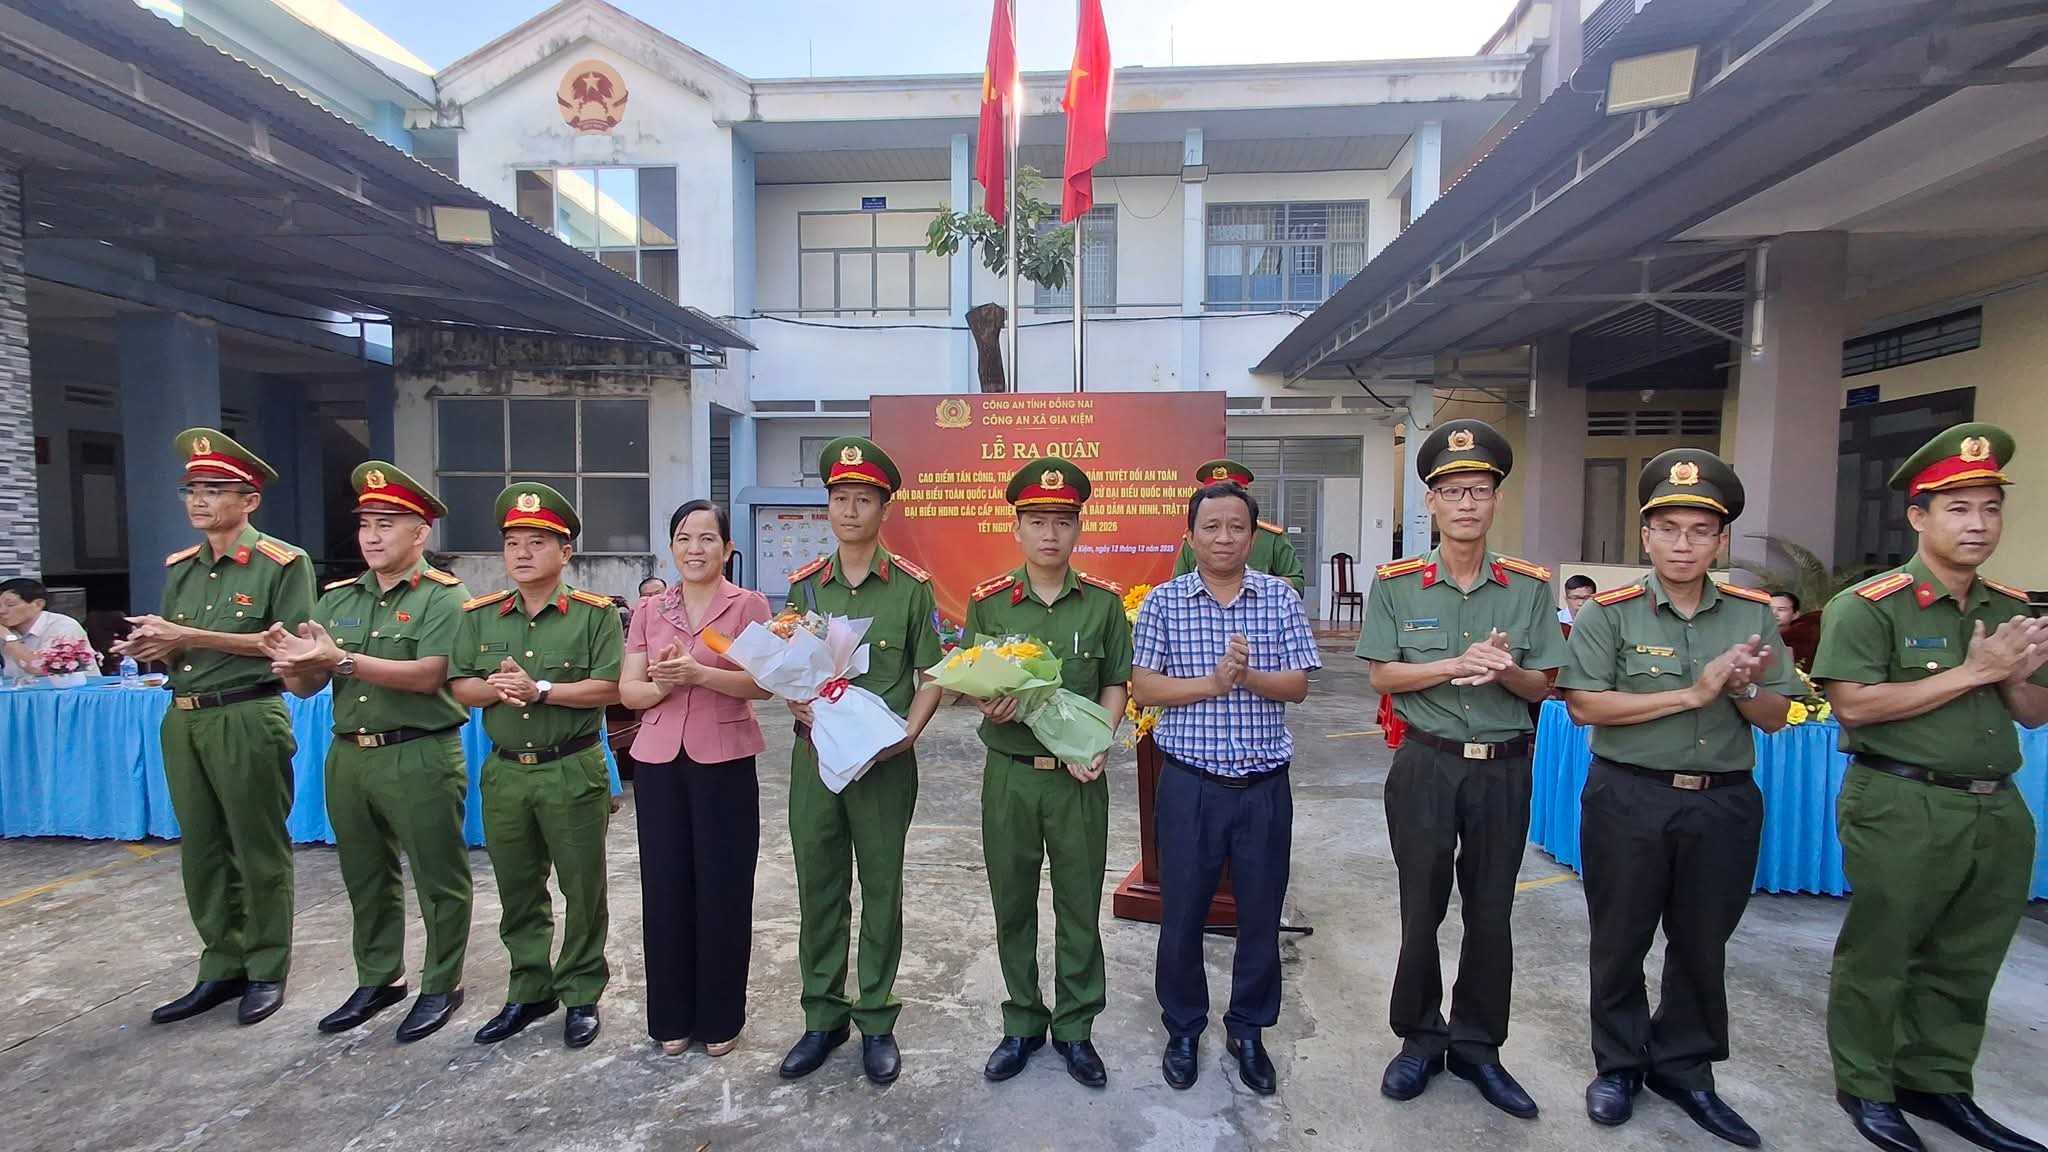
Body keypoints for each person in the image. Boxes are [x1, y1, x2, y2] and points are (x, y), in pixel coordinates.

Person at [1813, 423, 2048, 1152]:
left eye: (1989, 508)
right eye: (1958, 508)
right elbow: (1853, 705)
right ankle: (1867, 1084)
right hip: (1900, 801)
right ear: (1919, 517)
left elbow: (2037, 712)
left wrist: (2011, 676)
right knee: (1884, 950)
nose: (1977, 524)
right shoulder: (1870, 606)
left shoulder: (2012, 609)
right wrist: (1975, 673)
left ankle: (1940, 1082)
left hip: (1995, 804)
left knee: (1968, 954)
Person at [1556, 449, 1798, 1147]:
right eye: (1669, 529)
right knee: (1621, 937)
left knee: (1701, 943)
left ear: (1720, 542)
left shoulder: (1751, 616)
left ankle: (1686, 1069)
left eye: (1699, 530)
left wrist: (1745, 687)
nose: (1683, 543)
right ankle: (1620, 1064)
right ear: (1647, 536)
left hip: (1722, 802)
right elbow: (1585, 707)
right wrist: (1693, 693)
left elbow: (1778, 716)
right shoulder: (1611, 612)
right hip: (1629, 797)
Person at [1359, 419, 1567, 1119]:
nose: (1466, 503)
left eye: (1479, 490)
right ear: (1431, 503)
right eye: (1452, 491)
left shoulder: (1531, 587)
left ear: (1496, 499)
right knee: (1422, 906)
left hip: (1503, 768)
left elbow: (1544, 687)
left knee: (1491, 911)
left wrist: (1507, 670)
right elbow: (1382, 674)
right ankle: (1419, 1034)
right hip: (1426, 763)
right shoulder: (1397, 584)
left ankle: (1479, 1045)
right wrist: (1455, 663)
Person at [264, 462, 473, 1043]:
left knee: (438, 874)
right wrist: (293, 665)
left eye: (388, 523)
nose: (373, 536)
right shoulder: (336, 600)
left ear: (420, 532)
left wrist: (341, 661)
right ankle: (380, 977)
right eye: (366, 525)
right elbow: (310, 683)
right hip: (349, 752)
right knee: (364, 873)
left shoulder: (445, 599)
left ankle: (442, 982)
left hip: (419, 751)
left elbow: (430, 674)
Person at [114, 428, 314, 1027]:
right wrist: (155, 646)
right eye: (192, 489)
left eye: (214, 490)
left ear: (248, 501)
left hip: (247, 713)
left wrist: (189, 637)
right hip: (186, 715)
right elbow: (178, 645)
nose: (199, 501)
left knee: (256, 847)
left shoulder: (282, 562)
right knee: (201, 848)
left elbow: (290, 644)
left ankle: (266, 966)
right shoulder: (182, 567)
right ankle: (221, 964)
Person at [1133, 481, 1321, 1097]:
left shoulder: (1279, 600)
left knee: (1261, 914)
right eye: (1210, 527)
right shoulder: (1164, 602)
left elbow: (1296, 686)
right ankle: (1184, 1027)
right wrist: (1212, 684)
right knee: (1182, 912)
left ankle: (1249, 1029)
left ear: (1253, 535)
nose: (1223, 538)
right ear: (1191, 536)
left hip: (1263, 786)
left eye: (1235, 527)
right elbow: (1145, 688)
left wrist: (1248, 676)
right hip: (1190, 786)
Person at [777, 436, 945, 1087]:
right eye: (840, 499)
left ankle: (876, 1018)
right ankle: (823, 1018)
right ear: (828, 508)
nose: (850, 510)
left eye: (864, 500)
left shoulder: (910, 589)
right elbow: (787, 663)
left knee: (880, 891)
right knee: (820, 888)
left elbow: (933, 673)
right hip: (813, 759)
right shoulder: (804, 589)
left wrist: (911, 732)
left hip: (883, 764)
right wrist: (794, 699)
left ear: (883, 509)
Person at [965, 459, 1133, 1089]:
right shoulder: (988, 604)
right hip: (1009, 774)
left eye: (1062, 522)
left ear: (1078, 529)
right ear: (1017, 528)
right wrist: (986, 701)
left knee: (1078, 903)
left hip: (1078, 779)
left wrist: (1100, 743)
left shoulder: (1104, 605)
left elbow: (1115, 682)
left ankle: (1076, 1028)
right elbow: (970, 677)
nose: (1050, 535)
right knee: (1012, 901)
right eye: (1036, 522)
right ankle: (1021, 1021)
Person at [450, 482, 624, 1050]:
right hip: (505, 772)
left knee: (582, 887)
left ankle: (580, 992)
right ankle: (528, 987)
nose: (522, 553)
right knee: (518, 887)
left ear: (565, 552)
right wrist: (495, 689)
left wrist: (541, 689)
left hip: (570, 767)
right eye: (512, 543)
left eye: (537, 542)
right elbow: (460, 686)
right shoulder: (479, 616)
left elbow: (609, 686)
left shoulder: (594, 616)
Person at [619, 500, 772, 1058]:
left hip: (725, 758)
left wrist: (700, 673)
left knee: (724, 887)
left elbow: (763, 685)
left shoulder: (749, 606)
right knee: (665, 887)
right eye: (684, 538)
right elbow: (629, 691)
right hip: (659, 760)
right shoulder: (650, 610)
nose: (695, 548)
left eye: (708, 538)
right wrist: (665, 683)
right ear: (672, 547)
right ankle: (671, 1018)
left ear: (728, 549)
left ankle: (721, 1016)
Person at [1171, 459, 1305, 594]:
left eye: (1230, 493)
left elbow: (1296, 583)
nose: (1224, 539)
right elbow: (1177, 587)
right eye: (1215, 494)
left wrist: (1259, 585)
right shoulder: (1196, 539)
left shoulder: (1271, 538)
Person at [0, 577, 90, 680]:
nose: (2, 611)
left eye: (10, 605)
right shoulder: (5, 628)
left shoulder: (64, 626)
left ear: (38, 604)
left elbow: (41, 669)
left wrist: (9, 639)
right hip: (19, 693)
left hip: (73, 693)